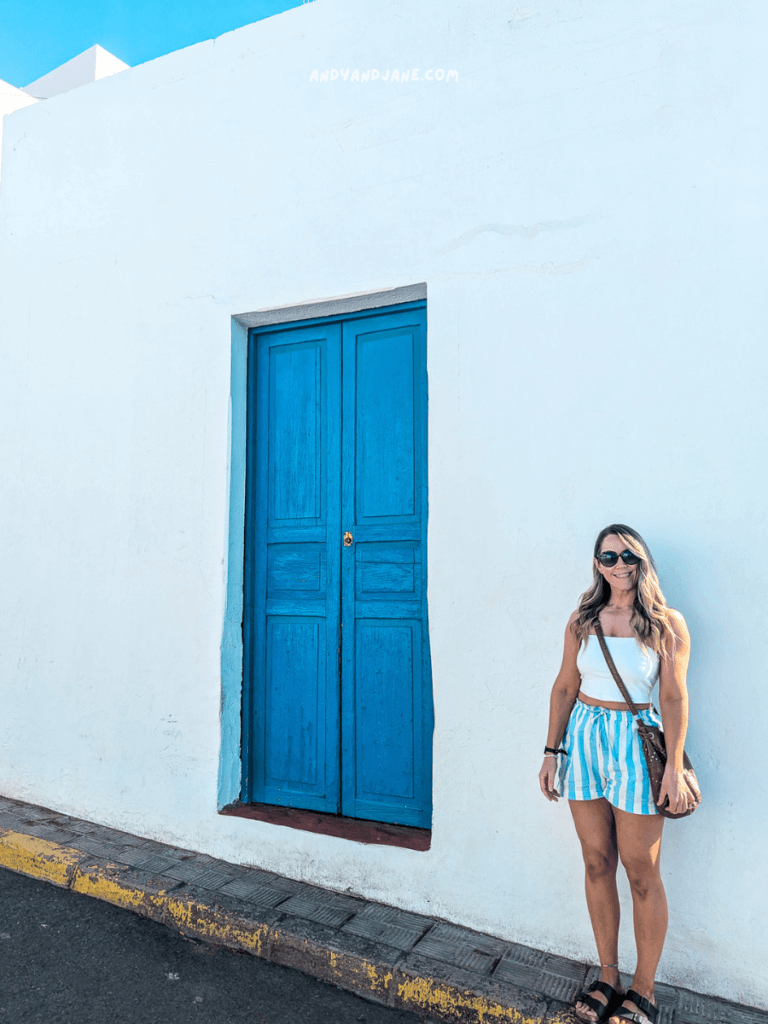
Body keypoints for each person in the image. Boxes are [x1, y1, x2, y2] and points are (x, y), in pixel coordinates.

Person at [538, 525, 696, 1024]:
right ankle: (609, 976)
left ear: (642, 558)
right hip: (584, 738)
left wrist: (673, 766)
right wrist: (551, 751)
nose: (619, 564)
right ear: (597, 563)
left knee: (641, 870)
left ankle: (644, 989)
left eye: (628, 554)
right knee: (595, 861)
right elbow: (565, 686)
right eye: (608, 556)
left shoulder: (666, 623)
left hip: (636, 744)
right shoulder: (583, 619)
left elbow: (672, 697)